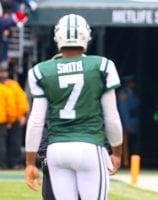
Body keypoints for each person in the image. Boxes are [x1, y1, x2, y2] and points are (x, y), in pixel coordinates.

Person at [24, 14, 123, 200]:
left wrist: (30, 162)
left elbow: (36, 121)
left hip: (57, 150)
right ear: (87, 35)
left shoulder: (41, 71)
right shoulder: (102, 66)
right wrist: (117, 152)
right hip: (89, 146)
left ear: (57, 37)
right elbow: (112, 116)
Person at [0, 63, 29, 169]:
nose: (3, 75)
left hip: (14, 118)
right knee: (2, 144)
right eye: (1, 72)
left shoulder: (13, 85)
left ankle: (15, 163)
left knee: (15, 142)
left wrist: (21, 115)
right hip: (4, 119)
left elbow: (21, 101)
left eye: (4, 72)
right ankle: (3, 164)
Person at [117, 75, 141, 168]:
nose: (133, 84)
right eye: (132, 82)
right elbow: (123, 110)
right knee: (125, 144)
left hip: (134, 121)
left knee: (133, 143)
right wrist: (127, 123)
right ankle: (125, 162)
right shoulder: (123, 94)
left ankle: (132, 162)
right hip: (128, 122)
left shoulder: (132, 93)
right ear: (128, 84)